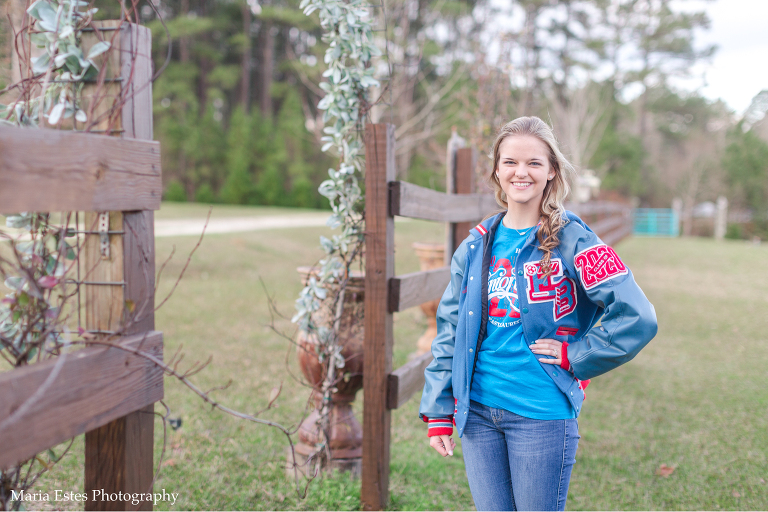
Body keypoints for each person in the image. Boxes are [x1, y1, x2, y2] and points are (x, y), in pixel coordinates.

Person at [419, 116, 658, 511]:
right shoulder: (476, 246)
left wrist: (575, 355)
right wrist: (440, 409)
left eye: (534, 163)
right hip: (477, 413)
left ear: (551, 171)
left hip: (541, 414)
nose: (521, 172)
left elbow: (637, 316)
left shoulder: (577, 241)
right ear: (497, 170)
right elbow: (451, 330)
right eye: (510, 162)